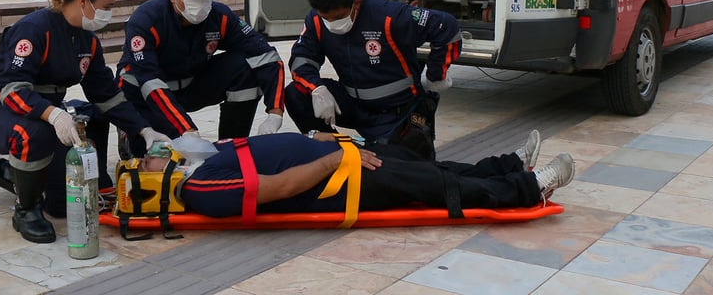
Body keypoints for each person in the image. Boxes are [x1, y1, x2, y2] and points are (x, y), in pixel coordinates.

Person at [0, 0, 163, 243]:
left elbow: (106, 95)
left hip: (41, 115)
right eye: (107, 6)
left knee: (61, 204)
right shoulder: (34, 29)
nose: (109, 13)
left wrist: (144, 130)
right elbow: (12, 89)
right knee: (33, 135)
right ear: (83, 0)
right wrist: (54, 115)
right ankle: (25, 211)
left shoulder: (87, 42)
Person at [143, 129, 575, 219]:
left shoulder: (201, 160)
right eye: (149, 159)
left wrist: (322, 140)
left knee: (426, 164)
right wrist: (332, 161)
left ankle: (509, 166)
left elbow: (264, 151)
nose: (158, 151)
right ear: (155, 182)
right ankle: (528, 189)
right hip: (336, 182)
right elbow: (279, 187)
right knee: (434, 186)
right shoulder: (201, 188)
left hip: (337, 157)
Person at [284, 0, 461, 159]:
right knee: (296, 93)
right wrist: (317, 88)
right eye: (325, 18)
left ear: (356, 3)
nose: (331, 24)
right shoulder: (317, 20)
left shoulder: (389, 16)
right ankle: (334, 152)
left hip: (396, 111)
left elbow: (446, 26)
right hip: (353, 105)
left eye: (337, 18)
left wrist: (436, 76)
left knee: (404, 172)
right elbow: (302, 58)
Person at [113, 0, 286, 145]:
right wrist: (186, 129)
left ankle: (231, 145)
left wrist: (275, 112)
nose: (201, 2)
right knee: (162, 153)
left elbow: (267, 56)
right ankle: (129, 131)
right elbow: (149, 80)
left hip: (190, 84)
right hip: (144, 93)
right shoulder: (147, 20)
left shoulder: (220, 16)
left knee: (244, 67)